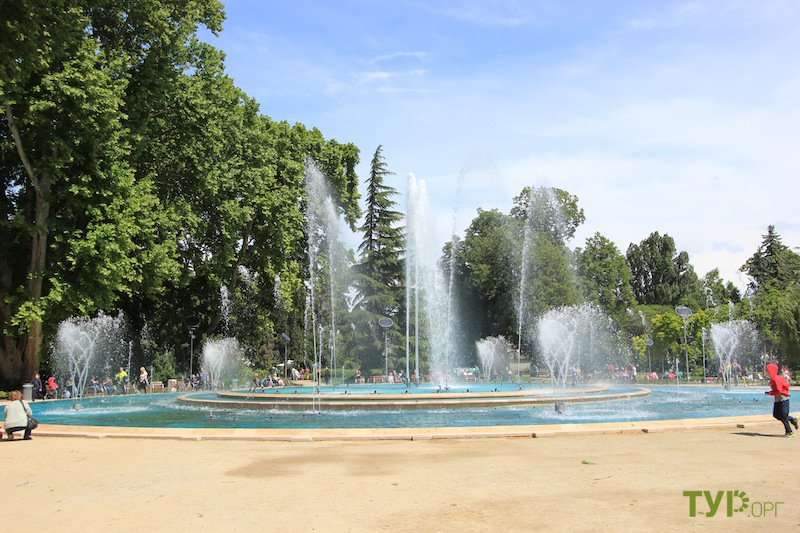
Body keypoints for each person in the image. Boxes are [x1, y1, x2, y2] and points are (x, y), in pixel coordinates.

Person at [765, 363, 798, 437]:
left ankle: (789, 432)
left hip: (783, 399)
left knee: (783, 416)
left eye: (767, 370)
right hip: (778, 400)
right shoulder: (774, 378)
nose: (766, 372)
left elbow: (779, 391)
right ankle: (792, 419)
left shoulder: (775, 379)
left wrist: (769, 393)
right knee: (776, 415)